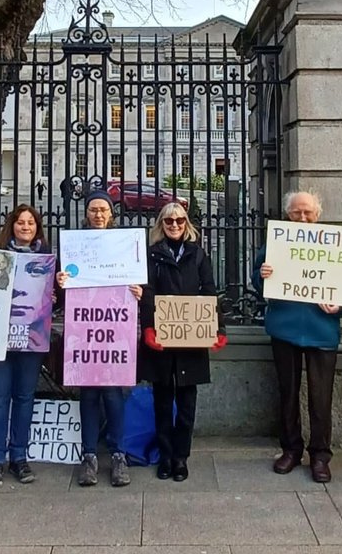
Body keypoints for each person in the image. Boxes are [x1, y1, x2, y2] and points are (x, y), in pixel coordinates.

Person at [251, 190, 342, 483]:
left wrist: (339, 305)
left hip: (322, 330)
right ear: (287, 214)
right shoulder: (276, 243)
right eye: (296, 212)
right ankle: (291, 449)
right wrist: (262, 274)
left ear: (318, 214)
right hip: (285, 328)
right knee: (288, 394)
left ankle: (320, 455)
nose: (302, 217)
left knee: (321, 398)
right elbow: (256, 278)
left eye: (307, 212)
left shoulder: (336, 246)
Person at [56, 190, 141, 488]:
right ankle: (89, 454)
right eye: (93, 210)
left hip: (115, 326)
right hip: (85, 327)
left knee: (113, 392)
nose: (99, 215)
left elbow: (136, 281)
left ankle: (118, 453)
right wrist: (61, 281)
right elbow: (61, 286)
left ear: (111, 214)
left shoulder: (123, 245)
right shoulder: (75, 245)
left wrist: (139, 292)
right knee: (89, 393)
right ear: (86, 213)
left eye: (104, 210)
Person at [139, 202, 226, 481]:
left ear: (186, 224)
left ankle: (181, 458)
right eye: (168, 221)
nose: (174, 225)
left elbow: (210, 291)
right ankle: (165, 456)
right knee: (162, 402)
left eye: (179, 221)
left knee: (187, 404)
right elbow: (148, 293)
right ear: (161, 225)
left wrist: (218, 328)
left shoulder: (198, 255)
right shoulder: (151, 256)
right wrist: (148, 328)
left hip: (191, 340)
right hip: (162, 341)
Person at [0, 204, 54, 488]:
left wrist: (57, 287)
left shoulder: (47, 260)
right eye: (20, 222)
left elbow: (55, 297)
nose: (25, 227)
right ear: (11, 226)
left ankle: (19, 457)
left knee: (25, 398)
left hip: (32, 337)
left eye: (31, 223)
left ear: (37, 228)